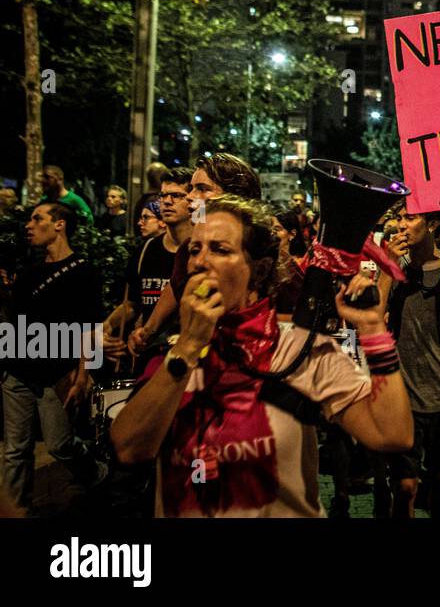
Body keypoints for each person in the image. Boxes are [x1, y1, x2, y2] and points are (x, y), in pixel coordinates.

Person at [111, 195, 413, 517]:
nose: (199, 262)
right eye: (195, 249)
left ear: (260, 270)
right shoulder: (172, 357)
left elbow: (391, 434)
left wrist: (372, 329)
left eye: (220, 249)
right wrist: (187, 346)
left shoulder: (297, 350)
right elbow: (129, 449)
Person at [1, 202, 104, 510]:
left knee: (60, 444)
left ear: (59, 225)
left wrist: (84, 373)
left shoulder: (83, 271)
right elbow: (16, 320)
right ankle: (17, 510)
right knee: (15, 450)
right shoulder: (29, 273)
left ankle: (96, 472)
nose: (29, 225)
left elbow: (91, 325)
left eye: (37, 219)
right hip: (18, 371)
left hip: (57, 372)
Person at [380, 203, 440, 518]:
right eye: (400, 217)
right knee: (404, 485)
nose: (402, 225)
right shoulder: (395, 267)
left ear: (433, 224)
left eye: (411, 217)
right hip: (403, 397)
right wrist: (387, 264)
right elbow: (374, 321)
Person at [127, 153, 261, 356]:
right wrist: (147, 332)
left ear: (235, 198)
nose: (190, 196)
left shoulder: (262, 250)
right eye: (191, 188)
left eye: (202, 189)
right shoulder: (186, 250)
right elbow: (175, 287)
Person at [104, 168, 194, 372]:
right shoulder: (145, 249)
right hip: (148, 356)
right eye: (163, 195)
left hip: (185, 360)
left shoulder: (201, 252)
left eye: (177, 196)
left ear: (193, 201)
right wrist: (105, 327)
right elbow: (132, 304)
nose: (167, 201)